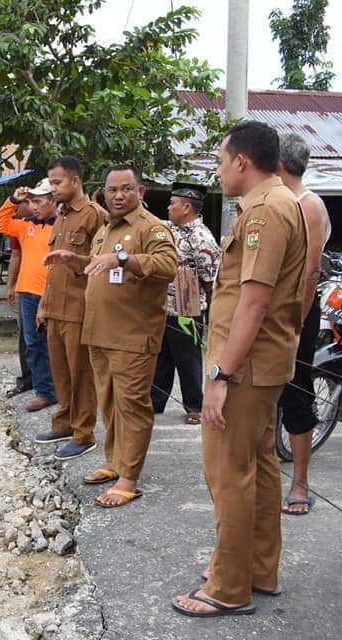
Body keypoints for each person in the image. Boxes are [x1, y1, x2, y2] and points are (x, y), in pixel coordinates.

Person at [172, 121, 308, 618]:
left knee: (229, 474)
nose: (218, 170)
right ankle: (258, 569)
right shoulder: (277, 203)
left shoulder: (265, 213)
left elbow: (253, 303)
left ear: (242, 162)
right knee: (261, 468)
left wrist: (220, 377)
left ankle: (229, 587)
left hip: (244, 367)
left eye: (220, 160)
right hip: (262, 363)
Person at [44, 164, 177, 507]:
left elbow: (167, 266)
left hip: (132, 336)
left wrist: (122, 259)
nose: (119, 196)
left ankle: (129, 478)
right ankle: (115, 462)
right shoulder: (106, 229)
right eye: (112, 190)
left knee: (132, 406)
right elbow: (98, 264)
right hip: (100, 333)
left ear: (140, 192)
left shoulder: (152, 227)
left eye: (126, 189)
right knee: (109, 404)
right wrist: (75, 259)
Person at [35, 156, 106, 460]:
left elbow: (100, 263)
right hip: (55, 308)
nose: (53, 188)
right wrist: (43, 304)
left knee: (81, 375)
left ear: (75, 181)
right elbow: (54, 269)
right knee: (61, 373)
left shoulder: (94, 216)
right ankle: (64, 423)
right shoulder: (61, 215)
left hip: (79, 309)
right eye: (51, 182)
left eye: (57, 182)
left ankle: (83, 432)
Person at [275, 133, 331, 516]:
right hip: (267, 309)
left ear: (279, 163)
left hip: (296, 311)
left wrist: (296, 322)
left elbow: (310, 274)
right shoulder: (273, 200)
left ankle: (300, 482)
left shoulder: (307, 204)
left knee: (296, 390)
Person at [151, 182, 221, 424]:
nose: (168, 207)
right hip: (162, 304)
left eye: (173, 204)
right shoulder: (167, 228)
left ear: (187, 207)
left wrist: (213, 316)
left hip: (187, 307)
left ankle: (194, 406)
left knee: (188, 358)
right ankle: (155, 401)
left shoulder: (202, 238)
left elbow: (211, 280)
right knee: (161, 356)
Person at [0, 178, 57, 412]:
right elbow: (1, 223)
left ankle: (63, 388)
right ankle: (45, 391)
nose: (33, 206)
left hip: (53, 293)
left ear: (53, 201)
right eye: (31, 201)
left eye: (38, 201)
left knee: (58, 344)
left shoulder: (62, 226)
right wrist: (13, 200)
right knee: (33, 344)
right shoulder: (25, 226)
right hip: (28, 293)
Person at [5, 206, 32, 397]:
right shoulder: (18, 226)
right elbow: (16, 256)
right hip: (26, 286)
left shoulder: (55, 222)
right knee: (26, 336)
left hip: (49, 286)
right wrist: (11, 285)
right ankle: (29, 379)